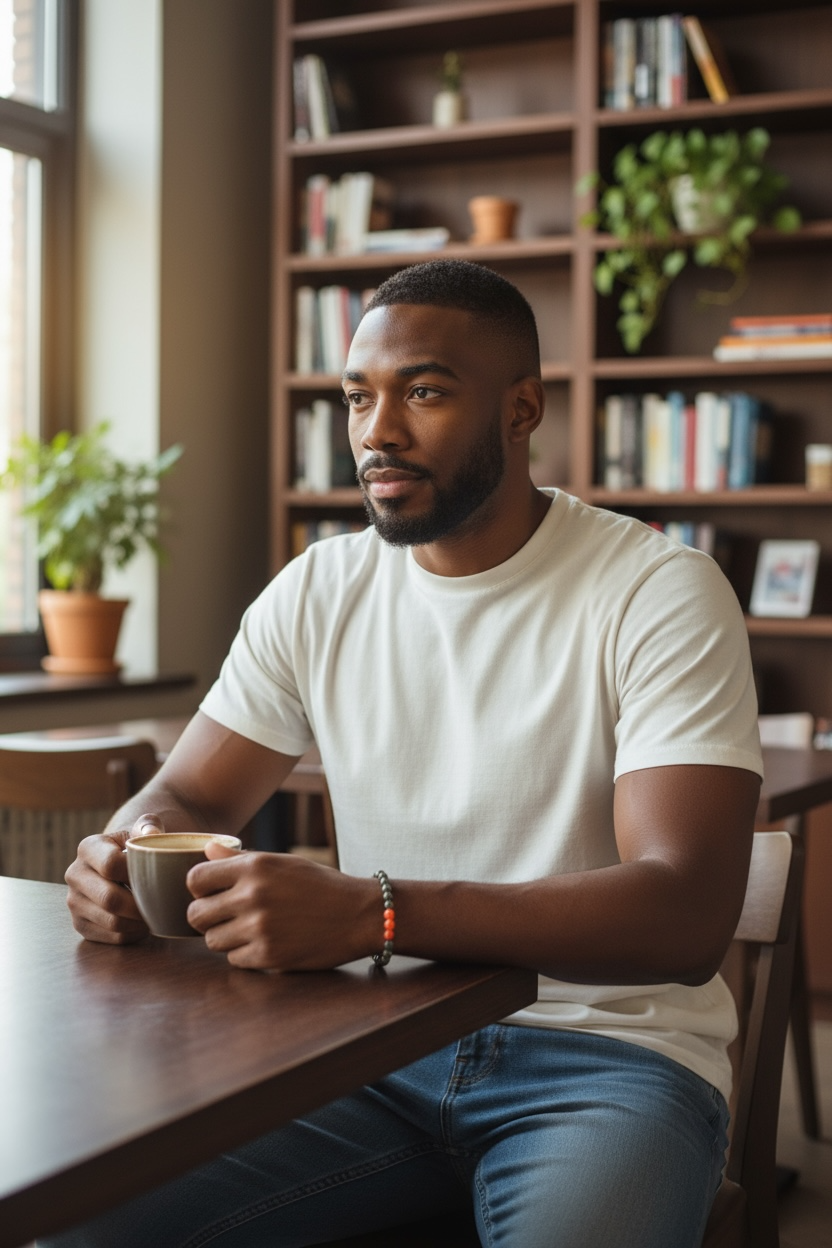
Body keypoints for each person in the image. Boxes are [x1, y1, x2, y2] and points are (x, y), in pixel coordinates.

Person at [52, 259, 763, 1248]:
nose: (376, 430)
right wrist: (123, 857)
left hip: (608, 1063)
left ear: (522, 410)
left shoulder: (658, 591)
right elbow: (188, 793)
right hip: (362, 1048)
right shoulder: (318, 589)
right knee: (78, 1229)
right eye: (357, 398)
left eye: (422, 391)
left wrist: (377, 910)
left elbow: (685, 911)